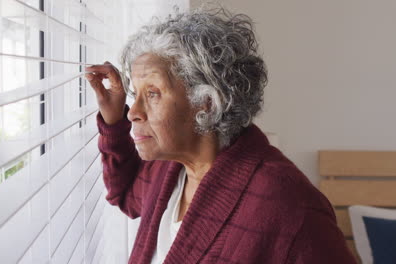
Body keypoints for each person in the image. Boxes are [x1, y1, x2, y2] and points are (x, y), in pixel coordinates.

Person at [85, 8, 357, 264]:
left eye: (153, 93)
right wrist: (112, 120)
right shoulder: (167, 169)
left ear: (207, 102)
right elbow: (124, 194)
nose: (133, 111)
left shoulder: (290, 205)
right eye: (136, 94)